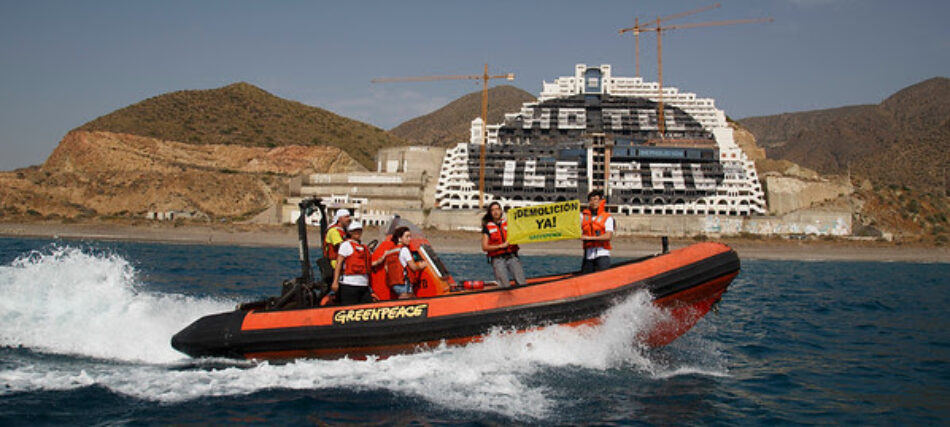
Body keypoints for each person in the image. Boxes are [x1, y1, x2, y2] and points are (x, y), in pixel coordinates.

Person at [331, 220, 378, 305]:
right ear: (350, 232)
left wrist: (382, 258)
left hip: (363, 284)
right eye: (354, 231)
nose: (357, 233)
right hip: (349, 284)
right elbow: (339, 264)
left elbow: (367, 265)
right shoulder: (346, 245)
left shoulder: (363, 248)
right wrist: (335, 281)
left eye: (359, 230)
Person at [481, 201, 526, 287]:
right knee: (504, 284)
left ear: (501, 211)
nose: (495, 212)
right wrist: (500, 246)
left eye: (497, 209)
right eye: (493, 210)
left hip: (512, 256)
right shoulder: (487, 227)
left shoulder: (509, 224)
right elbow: (485, 247)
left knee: (521, 282)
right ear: (490, 213)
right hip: (498, 259)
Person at [383, 226, 427, 299]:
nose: (409, 239)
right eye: (407, 236)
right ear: (399, 238)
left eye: (410, 236)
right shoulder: (404, 250)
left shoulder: (390, 251)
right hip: (404, 283)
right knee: (408, 300)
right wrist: (422, 265)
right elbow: (413, 267)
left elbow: (386, 268)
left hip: (394, 284)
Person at [580, 189, 613, 273]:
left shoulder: (607, 218)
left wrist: (589, 238)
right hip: (588, 255)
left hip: (602, 254)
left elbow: (608, 236)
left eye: (595, 200)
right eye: (591, 200)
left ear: (600, 201)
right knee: (585, 278)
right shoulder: (583, 217)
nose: (593, 202)